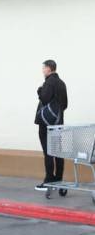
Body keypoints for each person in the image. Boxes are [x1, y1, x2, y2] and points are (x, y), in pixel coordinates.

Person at [34, 59, 68, 191]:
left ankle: (48, 179)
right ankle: (58, 179)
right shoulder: (62, 83)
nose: (42, 70)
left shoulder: (49, 82)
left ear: (49, 68)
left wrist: (39, 91)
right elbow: (65, 104)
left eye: (43, 68)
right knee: (58, 151)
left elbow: (45, 98)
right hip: (58, 122)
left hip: (46, 124)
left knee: (48, 152)